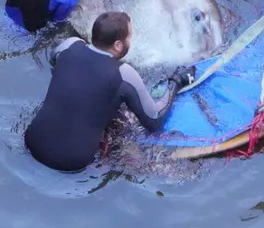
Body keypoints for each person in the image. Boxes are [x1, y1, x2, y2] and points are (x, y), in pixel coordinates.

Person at [24, 11, 193, 172]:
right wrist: (177, 81)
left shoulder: (69, 45)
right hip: (74, 163)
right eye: (130, 36)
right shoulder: (124, 73)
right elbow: (154, 120)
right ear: (118, 45)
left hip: (32, 142)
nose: (131, 41)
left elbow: (54, 59)